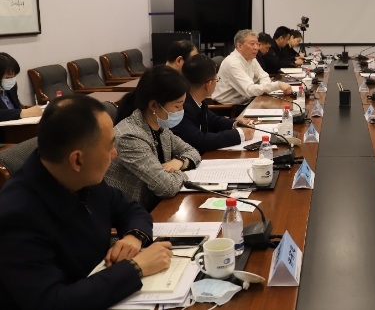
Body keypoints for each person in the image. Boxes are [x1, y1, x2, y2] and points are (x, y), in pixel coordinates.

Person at [0, 94, 173, 310]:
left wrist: (134, 237)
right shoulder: (16, 216)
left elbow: (129, 209)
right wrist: (135, 268)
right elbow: (52, 302)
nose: (115, 153)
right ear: (77, 159)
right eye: (109, 146)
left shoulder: (81, 177)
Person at [105, 66, 201, 211]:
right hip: (131, 214)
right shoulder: (129, 136)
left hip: (158, 206)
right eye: (177, 106)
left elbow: (192, 151)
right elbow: (167, 187)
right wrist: (183, 174)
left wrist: (180, 162)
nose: (182, 111)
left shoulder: (160, 126)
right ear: (154, 105)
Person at [172, 54, 255, 154]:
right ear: (208, 84)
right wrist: (240, 134)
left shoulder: (196, 101)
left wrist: (235, 124)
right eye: (217, 79)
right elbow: (199, 141)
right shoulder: (180, 107)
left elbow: (213, 120)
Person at [212, 29, 292, 105]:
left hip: (247, 101)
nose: (256, 47)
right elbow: (250, 90)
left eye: (257, 44)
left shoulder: (251, 58)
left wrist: (266, 87)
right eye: (252, 44)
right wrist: (277, 85)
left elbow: (263, 76)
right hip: (229, 107)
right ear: (239, 46)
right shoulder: (233, 63)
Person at [0, 52, 43, 122]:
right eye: (8, 77)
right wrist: (25, 113)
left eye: (14, 76)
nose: (12, 80)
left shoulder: (11, 87)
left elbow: (17, 107)